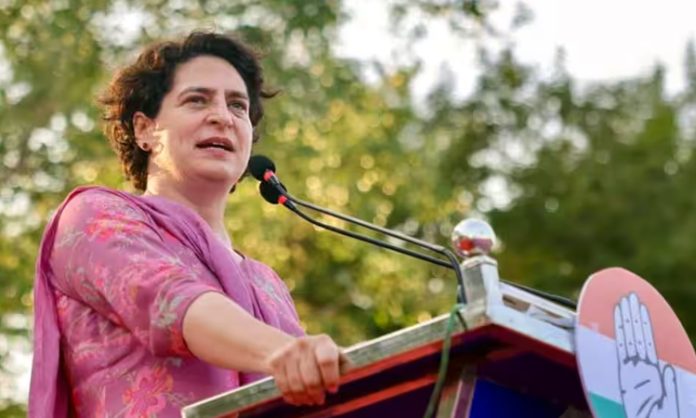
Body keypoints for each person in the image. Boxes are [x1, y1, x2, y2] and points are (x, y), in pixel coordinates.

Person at [29, 31, 346, 418]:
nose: (222, 117)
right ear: (144, 129)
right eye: (196, 100)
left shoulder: (267, 283)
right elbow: (169, 303)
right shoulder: (96, 217)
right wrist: (283, 352)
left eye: (238, 106)